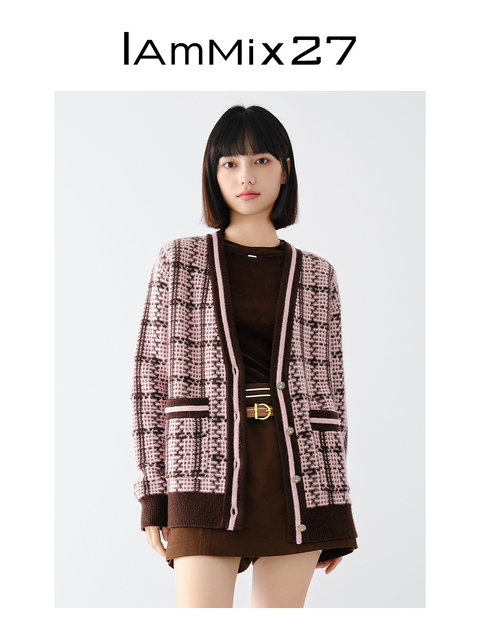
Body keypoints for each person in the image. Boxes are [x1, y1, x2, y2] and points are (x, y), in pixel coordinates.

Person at [131, 105, 358, 607]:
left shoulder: (318, 275)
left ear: (285, 170)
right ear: (213, 175)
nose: (246, 176)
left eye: (261, 161)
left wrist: (332, 504)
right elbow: (150, 380)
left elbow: (332, 392)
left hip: (298, 479)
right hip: (203, 471)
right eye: (229, 163)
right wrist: (153, 495)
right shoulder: (180, 260)